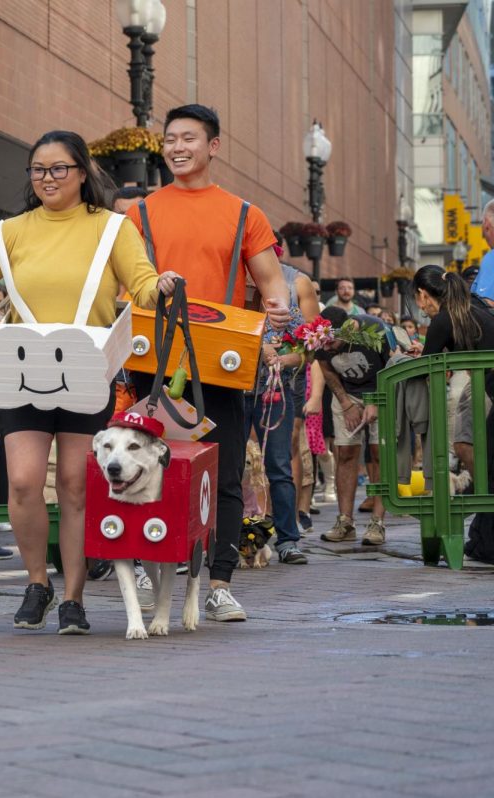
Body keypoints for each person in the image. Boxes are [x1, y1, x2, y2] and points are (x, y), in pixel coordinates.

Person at [0, 130, 177, 634]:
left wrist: (160, 287)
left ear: (83, 171)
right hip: (22, 371)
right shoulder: (7, 233)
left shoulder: (113, 228)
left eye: (59, 168)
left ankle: (73, 597)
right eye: (38, 169)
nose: (48, 178)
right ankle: (36, 584)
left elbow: (141, 284)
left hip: (86, 372)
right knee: (24, 483)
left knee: (74, 486)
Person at [124, 105, 292, 623]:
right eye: (170, 139)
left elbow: (271, 280)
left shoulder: (244, 212)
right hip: (152, 360)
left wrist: (278, 307)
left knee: (224, 472)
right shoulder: (141, 213)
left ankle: (218, 583)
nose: (177, 147)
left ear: (212, 146)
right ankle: (154, 577)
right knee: (148, 466)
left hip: (220, 362)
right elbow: (121, 280)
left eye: (188, 139)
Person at [244, 263, 320, 565]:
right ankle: (226, 538)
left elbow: (308, 347)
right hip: (232, 392)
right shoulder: (228, 290)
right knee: (228, 468)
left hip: (274, 393)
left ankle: (288, 539)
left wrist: (286, 359)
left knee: (278, 465)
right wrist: (255, 349)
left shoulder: (285, 295)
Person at [316, 307, 392, 546]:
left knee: (380, 454)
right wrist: (347, 403)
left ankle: (377, 523)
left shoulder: (375, 329)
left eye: (331, 342)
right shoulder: (319, 336)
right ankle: (345, 521)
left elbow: (392, 365)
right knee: (345, 452)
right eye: (323, 343)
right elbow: (326, 369)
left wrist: (376, 401)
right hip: (347, 394)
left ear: (348, 330)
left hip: (382, 390)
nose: (326, 348)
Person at [414, 265, 494, 489]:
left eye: (417, 300)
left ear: (423, 294)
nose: (420, 308)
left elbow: (423, 368)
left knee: (463, 444)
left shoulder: (443, 319)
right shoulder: (470, 305)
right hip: (484, 381)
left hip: (486, 382)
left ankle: (486, 499)